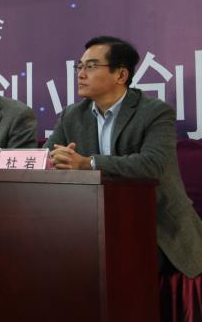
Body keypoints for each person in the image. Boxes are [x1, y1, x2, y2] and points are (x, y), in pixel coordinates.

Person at [47, 36, 202, 278]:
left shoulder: (155, 112)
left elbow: (152, 164)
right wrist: (54, 160)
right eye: (79, 66)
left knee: (114, 259)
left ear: (120, 75)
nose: (80, 74)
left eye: (91, 66)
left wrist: (88, 163)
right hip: (92, 221)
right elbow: (46, 157)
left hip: (156, 225)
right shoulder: (72, 115)